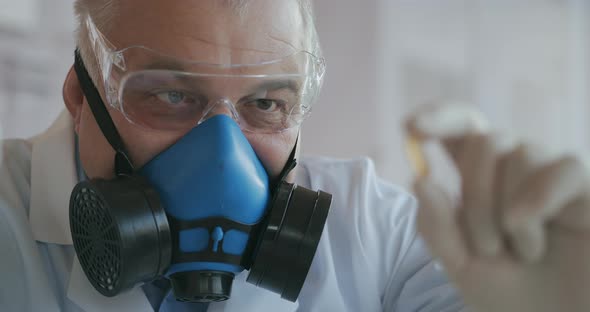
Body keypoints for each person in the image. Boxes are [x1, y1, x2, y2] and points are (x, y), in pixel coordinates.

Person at [1, 0, 590, 311]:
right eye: (170, 95)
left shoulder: (374, 232)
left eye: (265, 103)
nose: (223, 158)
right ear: (82, 95)